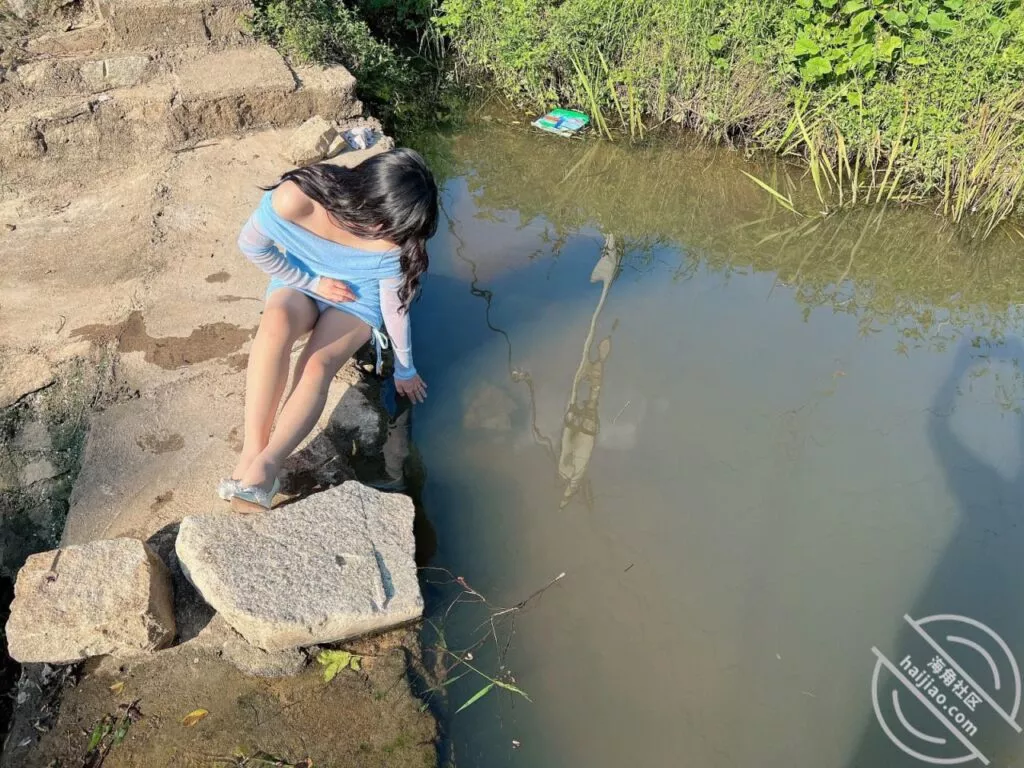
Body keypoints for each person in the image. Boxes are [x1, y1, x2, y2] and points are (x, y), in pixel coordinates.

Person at [218, 148, 439, 510]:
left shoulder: (395, 237)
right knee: (273, 327)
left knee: (317, 364)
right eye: (388, 226)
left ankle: (268, 466)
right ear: (368, 195)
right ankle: (251, 452)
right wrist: (313, 283)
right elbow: (252, 246)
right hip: (302, 279)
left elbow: (394, 305)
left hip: (356, 299)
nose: (394, 238)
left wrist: (405, 367)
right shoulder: (297, 198)